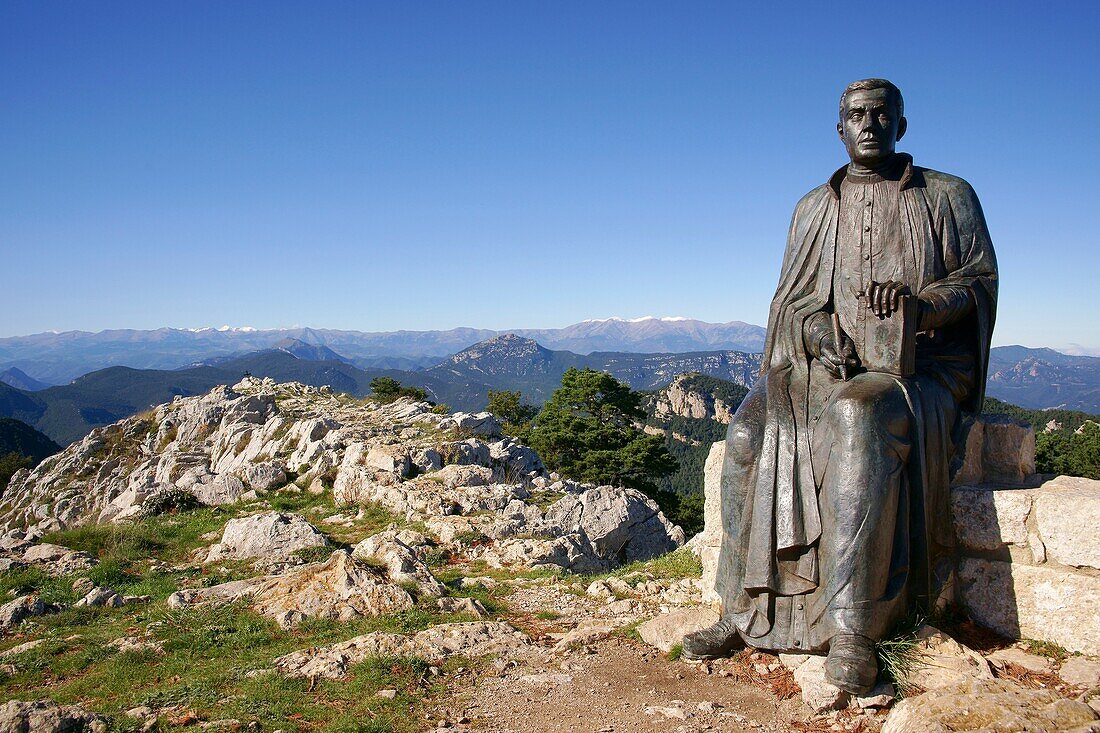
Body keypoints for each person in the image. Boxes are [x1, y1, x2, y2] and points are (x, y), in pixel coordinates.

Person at [682, 79, 998, 695]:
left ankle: (854, 626)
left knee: (857, 417)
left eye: (882, 115)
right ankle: (739, 611)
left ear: (902, 125)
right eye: (857, 115)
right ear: (839, 128)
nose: (869, 125)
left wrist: (922, 307)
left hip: (919, 369)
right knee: (746, 432)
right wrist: (819, 330)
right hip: (821, 366)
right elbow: (789, 302)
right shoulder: (813, 207)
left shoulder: (948, 195)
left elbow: (979, 281)